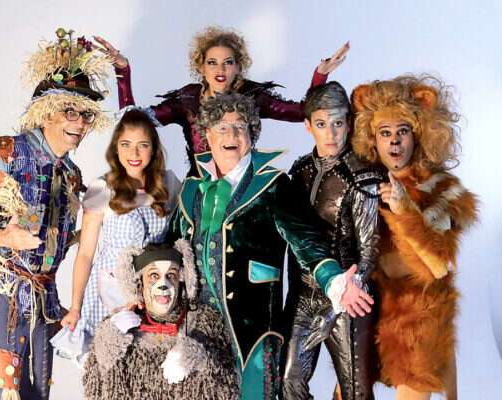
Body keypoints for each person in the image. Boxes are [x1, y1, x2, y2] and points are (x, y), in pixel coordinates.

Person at [165, 92, 373, 399]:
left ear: (251, 136)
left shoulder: (273, 186)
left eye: (240, 127)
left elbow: (306, 240)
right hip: (198, 330)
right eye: (222, 127)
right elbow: (168, 250)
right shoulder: (192, 189)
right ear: (207, 134)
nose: (232, 134)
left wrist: (334, 280)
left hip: (254, 332)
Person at [0, 28, 113, 399]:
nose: (79, 123)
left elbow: (62, 244)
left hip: (42, 301)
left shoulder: (72, 175)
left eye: (86, 115)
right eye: (70, 111)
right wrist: (3, 235)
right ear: (47, 112)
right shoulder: (7, 153)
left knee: (36, 393)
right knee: (2, 392)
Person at [350, 75, 478, 400]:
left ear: (418, 134)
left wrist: (404, 210)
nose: (394, 142)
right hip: (370, 306)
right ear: (371, 138)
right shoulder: (360, 184)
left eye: (403, 131)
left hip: (419, 312)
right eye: (385, 132)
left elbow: (437, 266)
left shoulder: (440, 187)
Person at [95, 26, 349, 176]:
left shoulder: (252, 97)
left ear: (238, 66)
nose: (220, 70)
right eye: (212, 62)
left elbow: (304, 112)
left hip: (244, 190)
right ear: (201, 67)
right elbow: (133, 122)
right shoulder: (187, 100)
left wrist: (320, 75)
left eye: (228, 62)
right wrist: (123, 71)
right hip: (200, 192)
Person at [51, 109, 181, 366]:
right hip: (110, 292)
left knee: (151, 369)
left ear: (153, 148)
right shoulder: (102, 187)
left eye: (143, 145)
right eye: (126, 145)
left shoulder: (169, 183)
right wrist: (75, 307)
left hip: (155, 291)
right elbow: (86, 253)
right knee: (108, 367)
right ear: (116, 147)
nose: (134, 154)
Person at [281, 81, 383, 400]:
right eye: (322, 124)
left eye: (338, 123)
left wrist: (346, 292)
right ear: (308, 125)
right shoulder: (298, 172)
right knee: (289, 383)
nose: (331, 134)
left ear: (349, 123)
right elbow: (294, 237)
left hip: (350, 296)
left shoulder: (362, 177)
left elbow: (370, 250)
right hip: (303, 294)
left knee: (355, 391)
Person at [82, 240, 240, 400]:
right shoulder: (119, 326)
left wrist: (197, 358)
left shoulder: (204, 323)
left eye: (171, 275)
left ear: (182, 280)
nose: (163, 284)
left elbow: (228, 386)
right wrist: (108, 341)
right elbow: (97, 388)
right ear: (139, 282)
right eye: (154, 276)